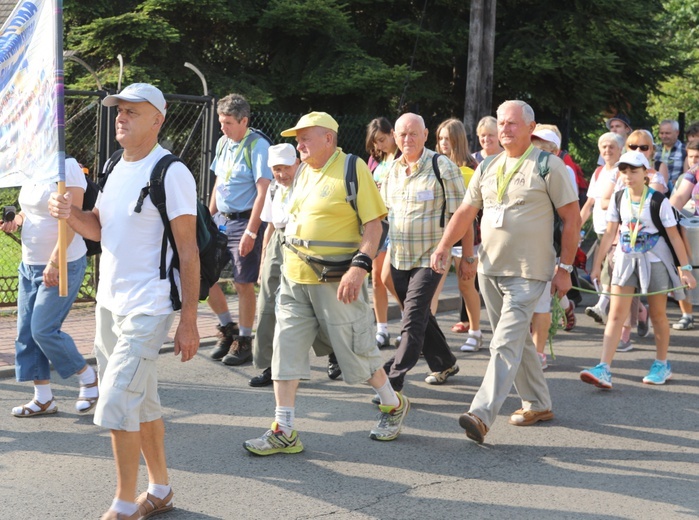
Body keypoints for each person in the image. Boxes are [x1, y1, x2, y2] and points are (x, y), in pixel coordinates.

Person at [48, 83, 200, 520]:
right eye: (119, 111)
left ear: (158, 119)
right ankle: (161, 489)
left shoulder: (172, 172)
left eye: (133, 111)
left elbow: (187, 251)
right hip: (110, 305)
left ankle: (122, 503)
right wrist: (70, 216)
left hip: (149, 306)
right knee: (143, 403)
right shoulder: (114, 166)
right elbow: (99, 228)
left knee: (115, 400)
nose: (122, 117)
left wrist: (189, 320)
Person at [243, 112, 409, 456]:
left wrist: (359, 268)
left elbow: (375, 225)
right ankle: (284, 428)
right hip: (294, 279)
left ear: (328, 139)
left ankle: (392, 404)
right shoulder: (303, 172)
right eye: (297, 139)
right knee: (285, 350)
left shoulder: (352, 168)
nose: (298, 145)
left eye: (305, 138)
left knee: (356, 353)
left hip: (335, 281)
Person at [431, 100, 581, 444]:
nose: (505, 130)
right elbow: (466, 211)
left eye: (512, 123)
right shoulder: (488, 166)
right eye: (501, 123)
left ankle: (480, 414)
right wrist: (443, 245)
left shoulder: (548, 166)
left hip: (529, 272)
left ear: (530, 128)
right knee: (514, 342)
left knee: (502, 343)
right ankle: (539, 403)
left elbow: (572, 220)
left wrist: (566, 269)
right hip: (490, 269)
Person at [580, 151, 696, 389]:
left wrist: (685, 269)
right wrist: (596, 266)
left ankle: (661, 364)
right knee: (615, 314)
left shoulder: (658, 200)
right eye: (624, 171)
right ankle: (603, 367)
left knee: (658, 315)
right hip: (625, 258)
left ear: (646, 173)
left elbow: (674, 238)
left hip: (655, 260)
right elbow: (610, 233)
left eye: (634, 170)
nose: (628, 176)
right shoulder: (618, 197)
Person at [3, 156, 97, 417]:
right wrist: (17, 221)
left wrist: (55, 262)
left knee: (43, 329)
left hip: (62, 264)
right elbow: (29, 211)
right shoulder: (33, 164)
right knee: (26, 333)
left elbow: (72, 219)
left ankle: (88, 376)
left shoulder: (66, 167)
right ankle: (43, 398)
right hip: (29, 264)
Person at [380, 113, 464, 391]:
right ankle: (444, 362)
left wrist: (466, 255)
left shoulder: (443, 167)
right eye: (402, 134)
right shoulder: (391, 170)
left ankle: (393, 378)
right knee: (420, 317)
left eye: (413, 133)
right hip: (399, 258)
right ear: (395, 136)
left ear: (426, 135)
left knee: (412, 319)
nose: (408, 139)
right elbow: (382, 214)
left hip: (432, 258)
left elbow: (463, 215)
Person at [249, 143, 335, 387]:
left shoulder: (310, 184)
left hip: (305, 240)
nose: (281, 174)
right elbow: (270, 225)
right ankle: (269, 364)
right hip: (279, 239)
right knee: (266, 300)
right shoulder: (274, 188)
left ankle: (333, 351)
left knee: (313, 301)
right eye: (276, 169)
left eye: (285, 168)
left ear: (297, 163)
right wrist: (264, 258)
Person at [207, 93, 272, 366]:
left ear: (244, 120)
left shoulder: (258, 145)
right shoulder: (224, 142)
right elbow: (219, 181)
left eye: (228, 123)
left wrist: (252, 231)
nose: (223, 128)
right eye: (221, 122)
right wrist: (208, 216)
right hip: (221, 219)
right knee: (204, 275)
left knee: (243, 282)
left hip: (245, 221)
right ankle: (227, 328)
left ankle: (245, 339)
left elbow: (263, 191)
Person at [432, 118, 483, 352]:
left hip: (465, 237)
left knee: (466, 286)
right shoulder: (433, 164)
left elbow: (469, 214)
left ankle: (475, 332)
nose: (443, 143)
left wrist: (469, 255)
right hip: (440, 237)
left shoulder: (471, 168)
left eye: (447, 138)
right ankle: (425, 336)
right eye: (440, 138)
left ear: (458, 140)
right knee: (432, 288)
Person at [581, 132, 626, 324]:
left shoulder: (622, 172)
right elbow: (590, 203)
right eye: (604, 147)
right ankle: (640, 312)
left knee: (609, 268)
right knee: (599, 269)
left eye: (612, 147)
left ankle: (601, 306)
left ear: (619, 150)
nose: (607, 150)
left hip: (614, 230)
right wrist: (576, 227)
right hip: (600, 229)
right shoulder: (598, 172)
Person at [365, 117, 401, 349]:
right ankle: (382, 329)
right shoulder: (375, 159)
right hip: (379, 223)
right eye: (375, 142)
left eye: (381, 140)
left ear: (392, 134)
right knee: (377, 279)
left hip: (397, 222)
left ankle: (414, 323)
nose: (379, 146)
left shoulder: (403, 156)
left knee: (391, 279)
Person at [669, 140, 699, 331]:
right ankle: (687, 315)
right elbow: (679, 196)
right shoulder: (693, 172)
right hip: (695, 228)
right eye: (691, 157)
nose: (694, 161)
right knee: (685, 266)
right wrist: (667, 216)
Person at [654, 119, 686, 191]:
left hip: (676, 190)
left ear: (677, 132)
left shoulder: (685, 150)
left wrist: (679, 181)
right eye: (661, 133)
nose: (664, 136)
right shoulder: (654, 149)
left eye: (667, 133)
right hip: (656, 189)